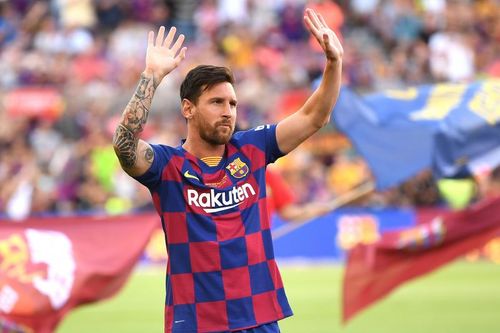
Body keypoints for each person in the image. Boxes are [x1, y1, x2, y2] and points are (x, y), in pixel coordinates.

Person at [113, 8, 342, 333]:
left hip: (259, 317)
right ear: (188, 109)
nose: (228, 112)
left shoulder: (253, 149)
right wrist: (151, 75)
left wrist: (334, 63)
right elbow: (124, 147)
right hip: (197, 322)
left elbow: (313, 117)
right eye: (217, 103)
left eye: (232, 104)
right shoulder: (168, 167)